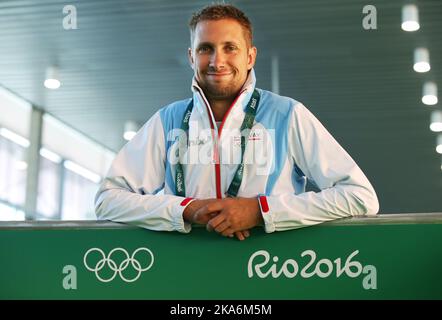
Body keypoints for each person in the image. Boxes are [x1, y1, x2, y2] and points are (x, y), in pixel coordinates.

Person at [95, 4, 379, 241]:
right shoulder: (167, 121)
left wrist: (260, 212)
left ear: (250, 57)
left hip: (272, 273)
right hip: (184, 275)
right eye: (206, 48)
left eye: (230, 47)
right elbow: (107, 201)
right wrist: (184, 210)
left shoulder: (288, 114)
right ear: (191, 56)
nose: (217, 61)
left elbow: (360, 197)